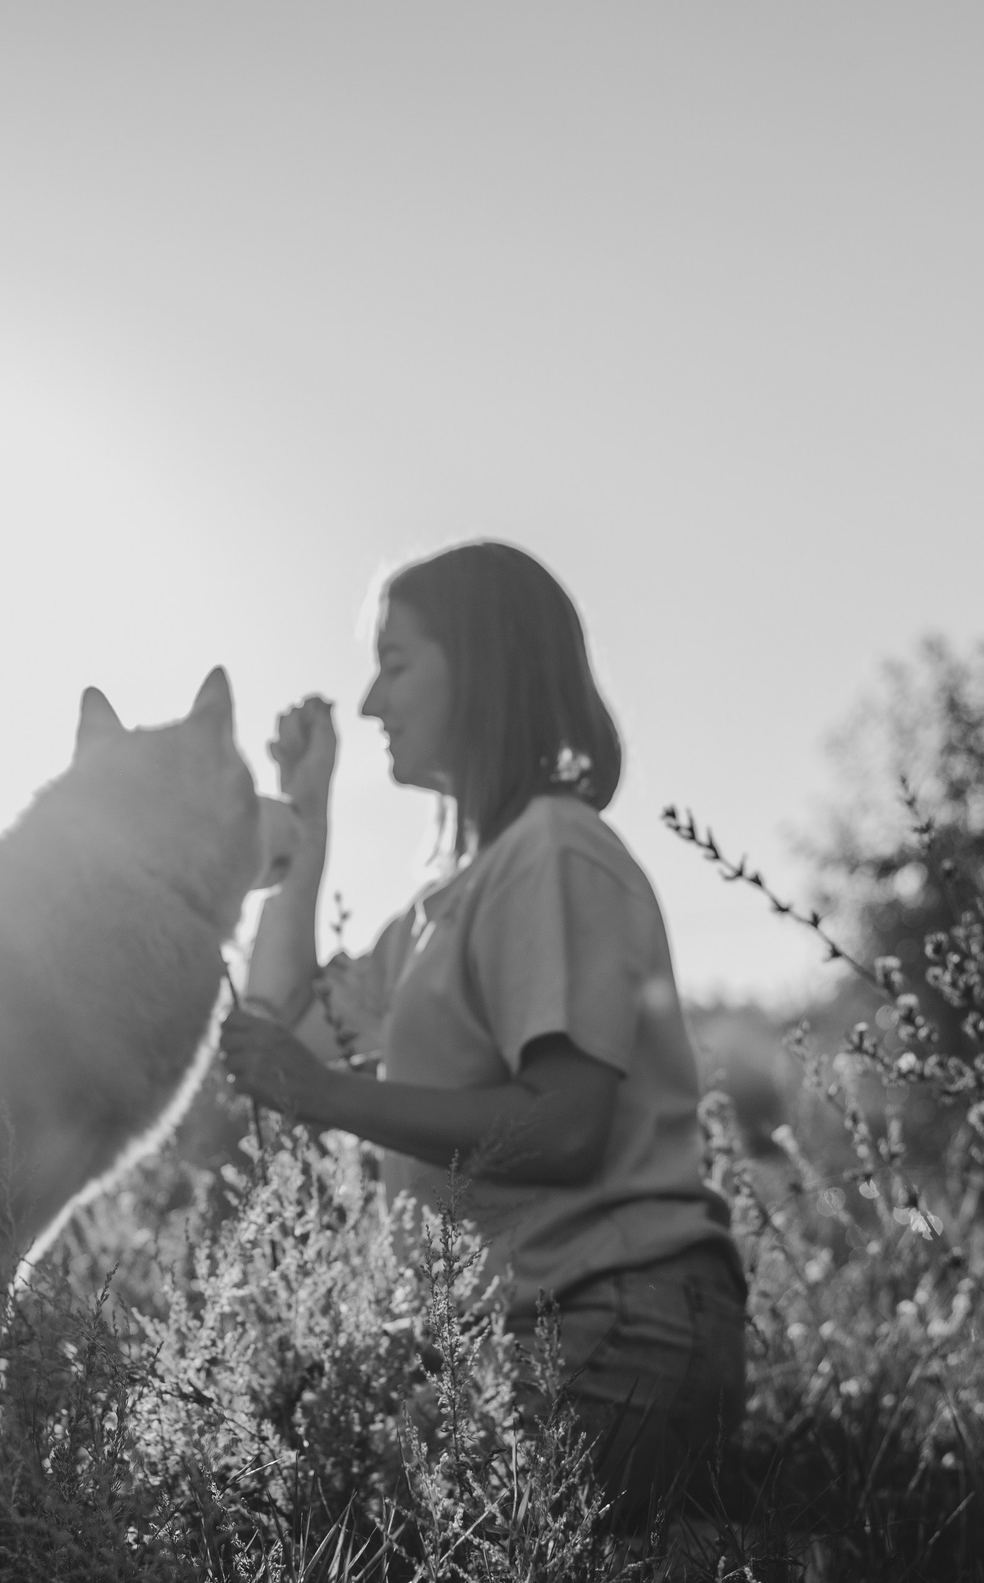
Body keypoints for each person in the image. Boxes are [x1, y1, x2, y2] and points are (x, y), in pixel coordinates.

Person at [217, 539, 745, 1529]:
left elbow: (566, 1125)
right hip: (549, 1329)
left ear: (484, 666)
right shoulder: (442, 904)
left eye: (398, 661)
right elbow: (274, 1032)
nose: (370, 702)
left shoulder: (552, 850)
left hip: (615, 1318)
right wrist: (310, 818)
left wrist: (327, 1097)